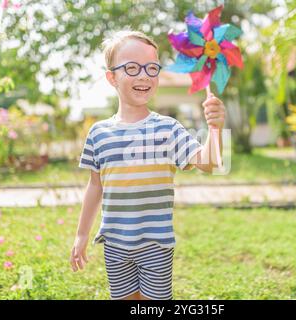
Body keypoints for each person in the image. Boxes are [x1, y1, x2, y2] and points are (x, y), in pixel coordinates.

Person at [70, 30, 225, 300]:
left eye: (151, 68)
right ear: (112, 77)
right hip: (115, 245)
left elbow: (209, 163)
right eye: (132, 68)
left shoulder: (168, 129)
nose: (144, 75)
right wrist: (82, 235)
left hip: (156, 245)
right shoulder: (99, 133)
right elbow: (95, 187)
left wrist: (215, 129)